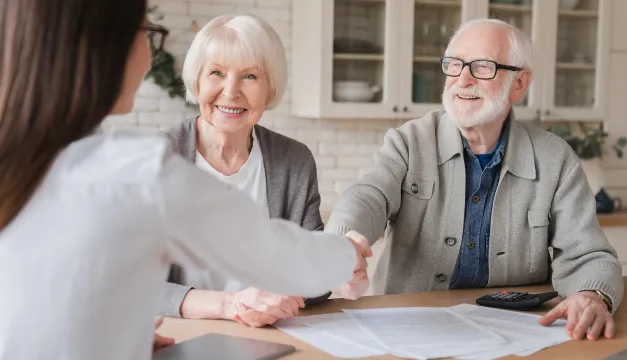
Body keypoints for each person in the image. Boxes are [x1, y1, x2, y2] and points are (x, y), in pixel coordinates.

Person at [0, 1, 371, 359]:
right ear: (106, 49)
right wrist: (346, 255)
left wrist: (116, 335)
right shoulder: (137, 173)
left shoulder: (25, 161)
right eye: (146, 34)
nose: (149, 56)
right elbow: (267, 251)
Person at [325, 18, 623, 341]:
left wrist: (593, 295)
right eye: (454, 66)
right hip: (409, 330)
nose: (462, 80)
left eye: (482, 67)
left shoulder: (556, 159)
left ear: (520, 84)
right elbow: (369, 195)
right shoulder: (409, 142)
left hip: (516, 335)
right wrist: (341, 242)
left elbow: (589, 255)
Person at [159, 15, 354, 328]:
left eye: (250, 76)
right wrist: (230, 305)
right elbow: (128, 284)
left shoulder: (294, 161)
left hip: (273, 335)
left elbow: (315, 282)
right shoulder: (156, 161)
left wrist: (334, 265)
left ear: (270, 88)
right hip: (181, 335)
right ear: (197, 81)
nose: (231, 91)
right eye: (216, 73)